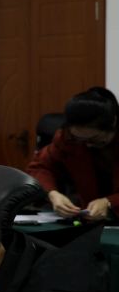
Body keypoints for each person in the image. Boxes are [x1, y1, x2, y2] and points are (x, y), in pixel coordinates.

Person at [29, 86, 118, 221]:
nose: (87, 145)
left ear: (113, 123)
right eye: (79, 139)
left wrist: (110, 202)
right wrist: (52, 194)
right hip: (87, 216)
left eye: (94, 139)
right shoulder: (68, 139)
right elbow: (40, 167)